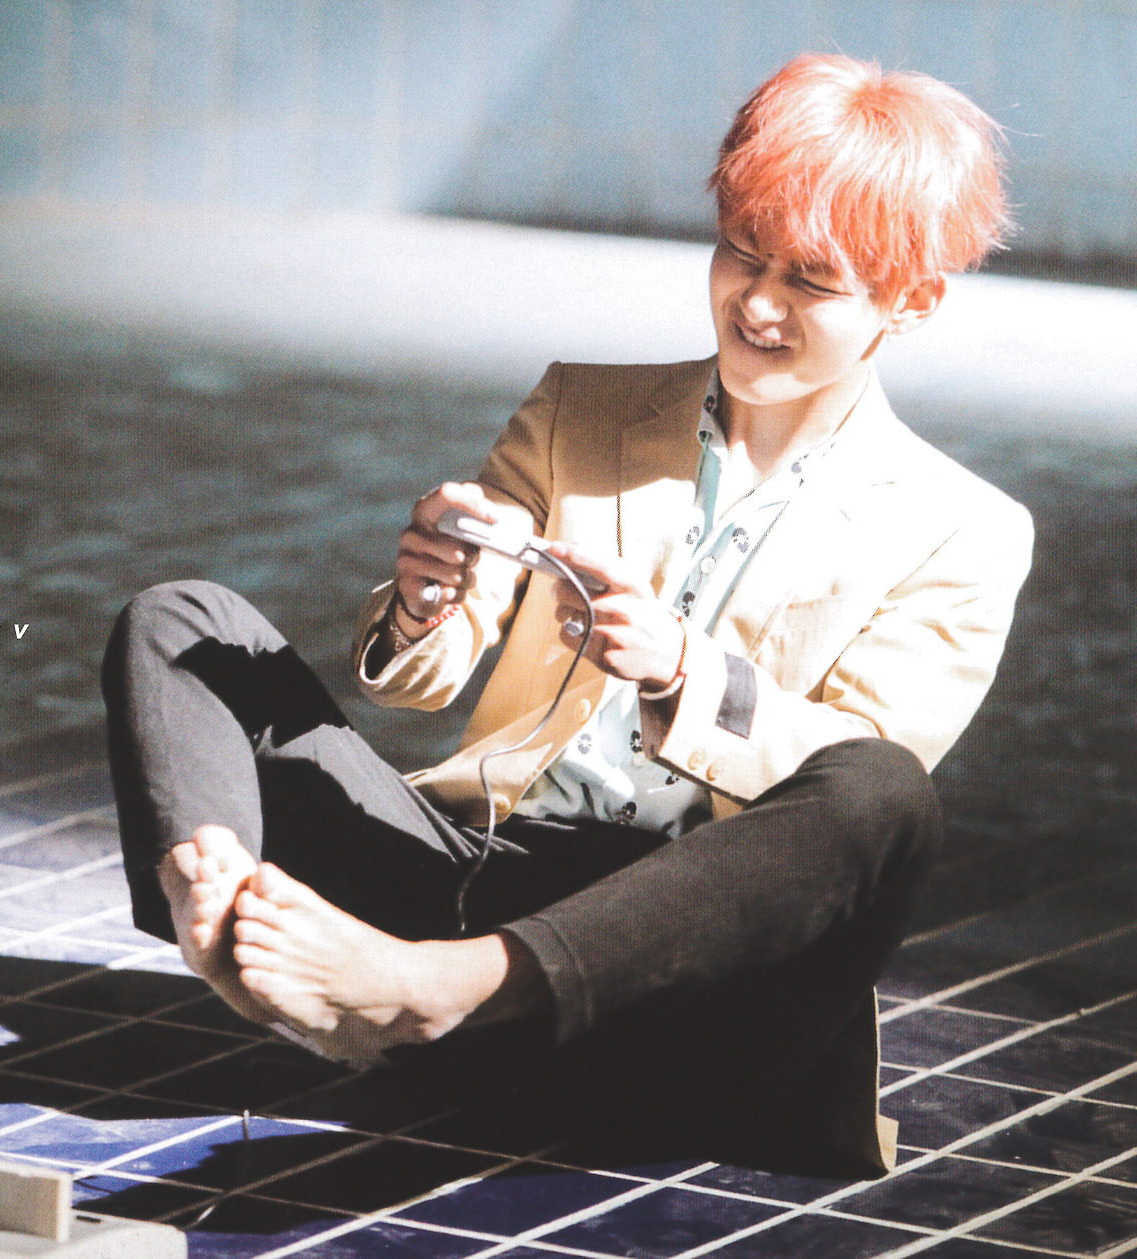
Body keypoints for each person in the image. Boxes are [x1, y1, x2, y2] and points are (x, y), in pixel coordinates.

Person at [102, 54, 1033, 1177]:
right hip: (468, 875)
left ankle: (435, 994)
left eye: (811, 280)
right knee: (184, 621)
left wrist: (682, 670)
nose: (756, 301)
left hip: (676, 981)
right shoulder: (581, 407)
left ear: (910, 301)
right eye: (741, 250)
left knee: (887, 792)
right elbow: (429, 678)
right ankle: (222, 918)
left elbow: (845, 797)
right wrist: (427, 599)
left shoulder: (963, 528)